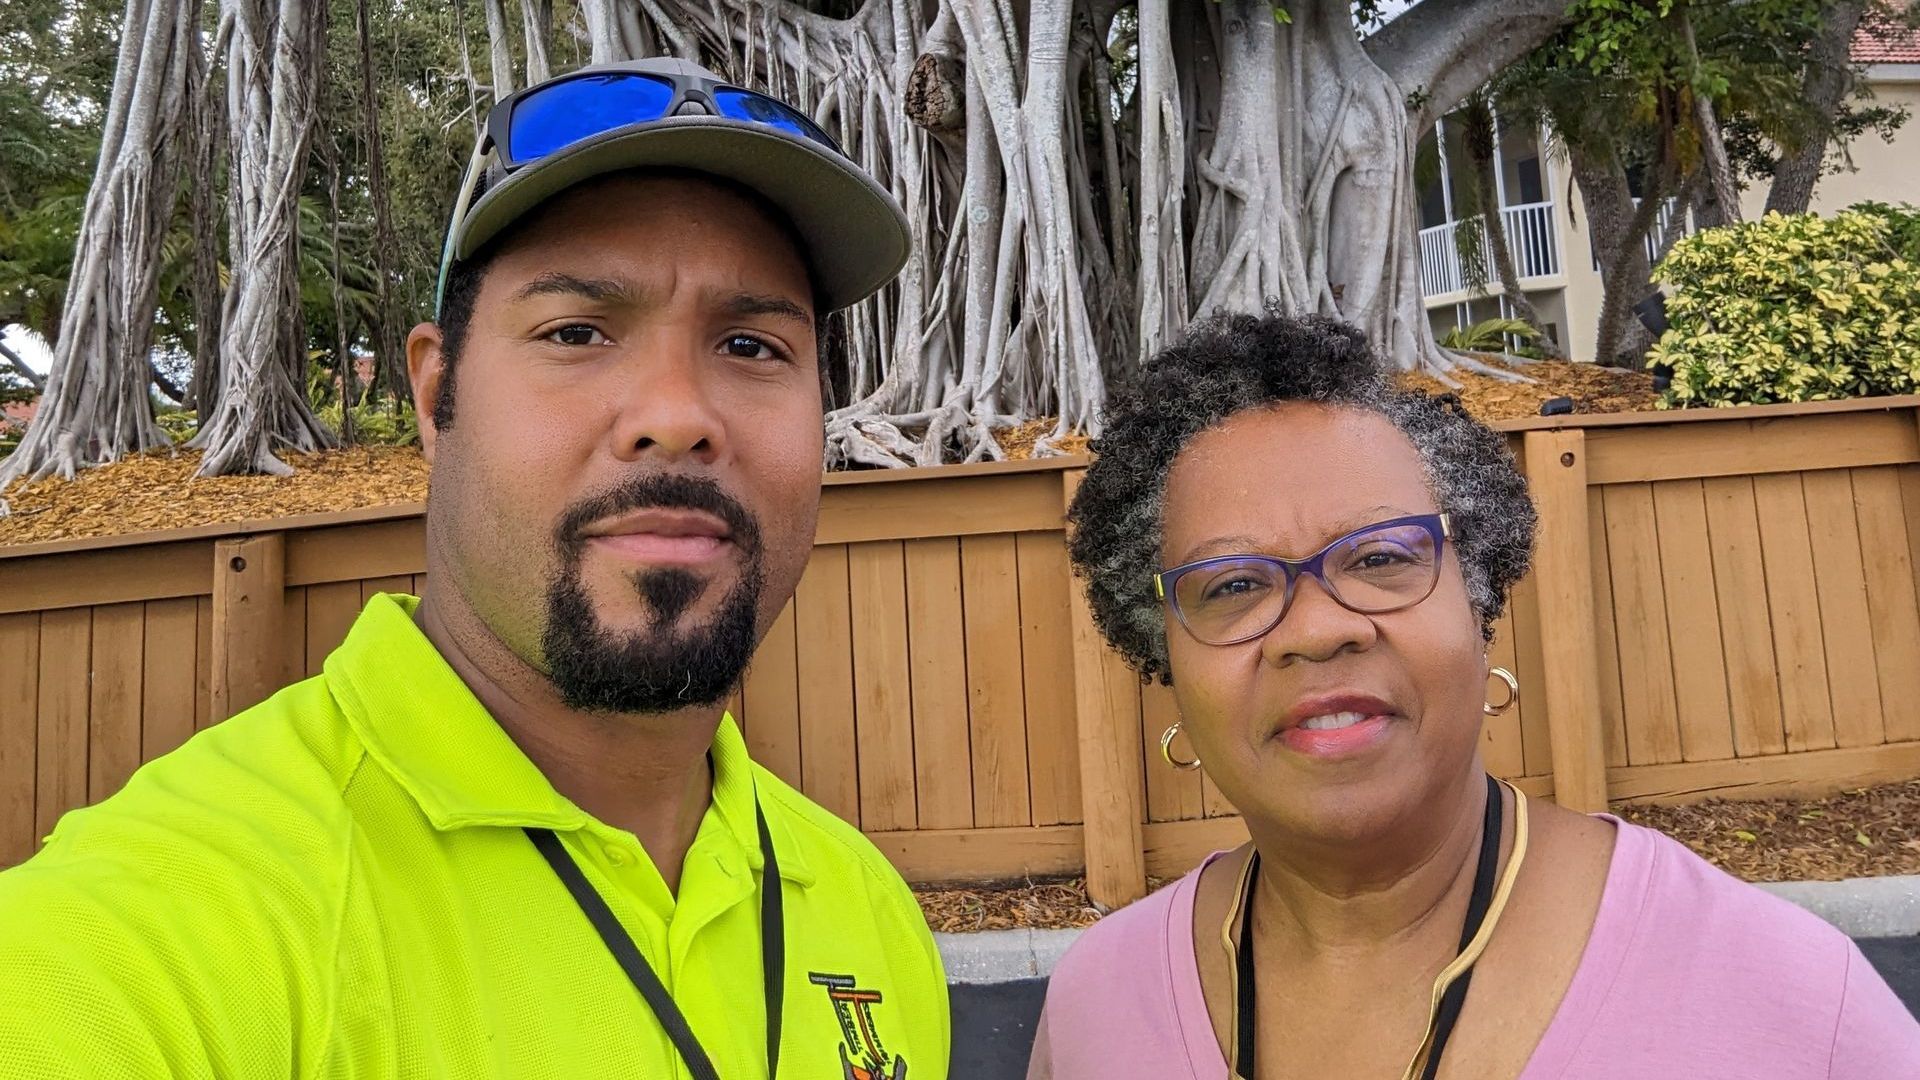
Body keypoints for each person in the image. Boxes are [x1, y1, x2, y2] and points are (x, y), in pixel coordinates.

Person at [0, 57, 948, 1079]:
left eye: (754, 346)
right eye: (577, 331)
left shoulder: (866, 911)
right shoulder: (144, 936)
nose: (677, 415)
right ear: (434, 395)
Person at [1028, 310, 1920, 1079]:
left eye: (1380, 558)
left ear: (1479, 598)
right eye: (1230, 585)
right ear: (1165, 660)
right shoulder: (1098, 1008)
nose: (1314, 628)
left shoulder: (1785, 999)